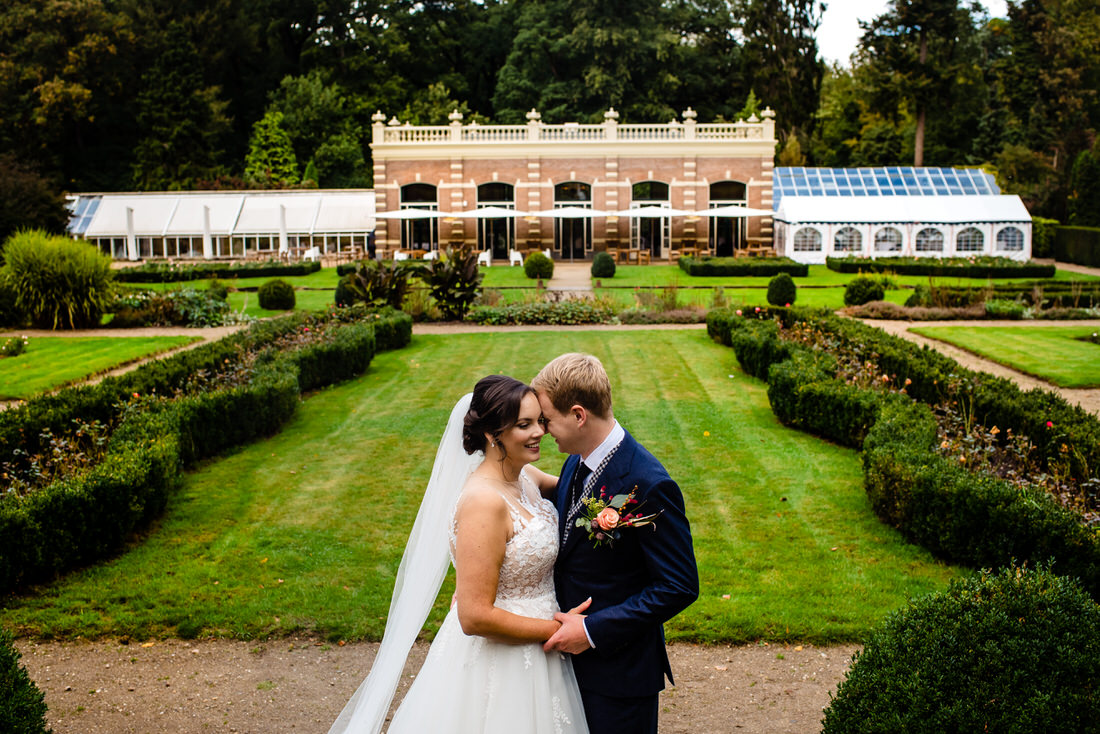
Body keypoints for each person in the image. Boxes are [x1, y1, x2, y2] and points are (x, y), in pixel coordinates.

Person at [328, 375, 590, 734]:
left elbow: (580, 493)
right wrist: (557, 630)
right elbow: (474, 616)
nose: (539, 433)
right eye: (523, 425)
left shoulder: (524, 475)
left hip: (541, 653)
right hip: (505, 659)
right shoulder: (483, 502)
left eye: (540, 422)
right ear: (491, 433)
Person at [532, 353, 699, 734]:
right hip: (568, 666)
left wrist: (592, 631)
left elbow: (679, 585)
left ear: (578, 416)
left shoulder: (650, 483)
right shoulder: (577, 459)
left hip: (619, 677)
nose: (542, 430)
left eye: (547, 419)